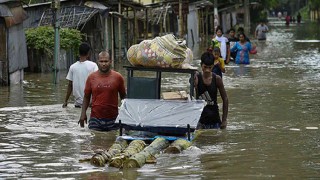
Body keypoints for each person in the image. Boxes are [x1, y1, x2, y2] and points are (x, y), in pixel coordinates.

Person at [79, 51, 126, 131]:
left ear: (110, 61)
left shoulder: (118, 77)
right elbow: (86, 97)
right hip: (95, 119)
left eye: (106, 61)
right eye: (101, 61)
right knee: (95, 141)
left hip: (113, 119)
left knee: (112, 141)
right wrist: (83, 114)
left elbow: (124, 97)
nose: (103, 64)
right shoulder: (91, 78)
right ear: (97, 62)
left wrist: (126, 115)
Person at [194, 52, 228, 129]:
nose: (207, 70)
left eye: (210, 67)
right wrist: (193, 79)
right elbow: (191, 95)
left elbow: (225, 99)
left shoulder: (217, 79)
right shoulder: (197, 77)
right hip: (200, 121)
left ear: (213, 66)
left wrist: (224, 120)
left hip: (215, 120)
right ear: (201, 65)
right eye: (205, 67)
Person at [62, 42, 98, 108]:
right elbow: (97, 84)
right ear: (88, 53)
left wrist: (65, 101)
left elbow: (70, 85)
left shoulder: (73, 67)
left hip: (78, 104)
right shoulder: (93, 66)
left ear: (79, 53)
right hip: (90, 104)